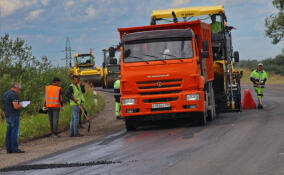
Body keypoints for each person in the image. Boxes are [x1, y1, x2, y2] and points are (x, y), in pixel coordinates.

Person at [3, 82, 24, 153]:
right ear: (16, 87)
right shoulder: (13, 95)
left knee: (8, 133)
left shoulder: (6, 94)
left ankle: (9, 149)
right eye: (19, 89)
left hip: (8, 115)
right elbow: (16, 107)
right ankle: (15, 149)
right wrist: (22, 104)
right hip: (14, 116)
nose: (19, 90)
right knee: (14, 133)